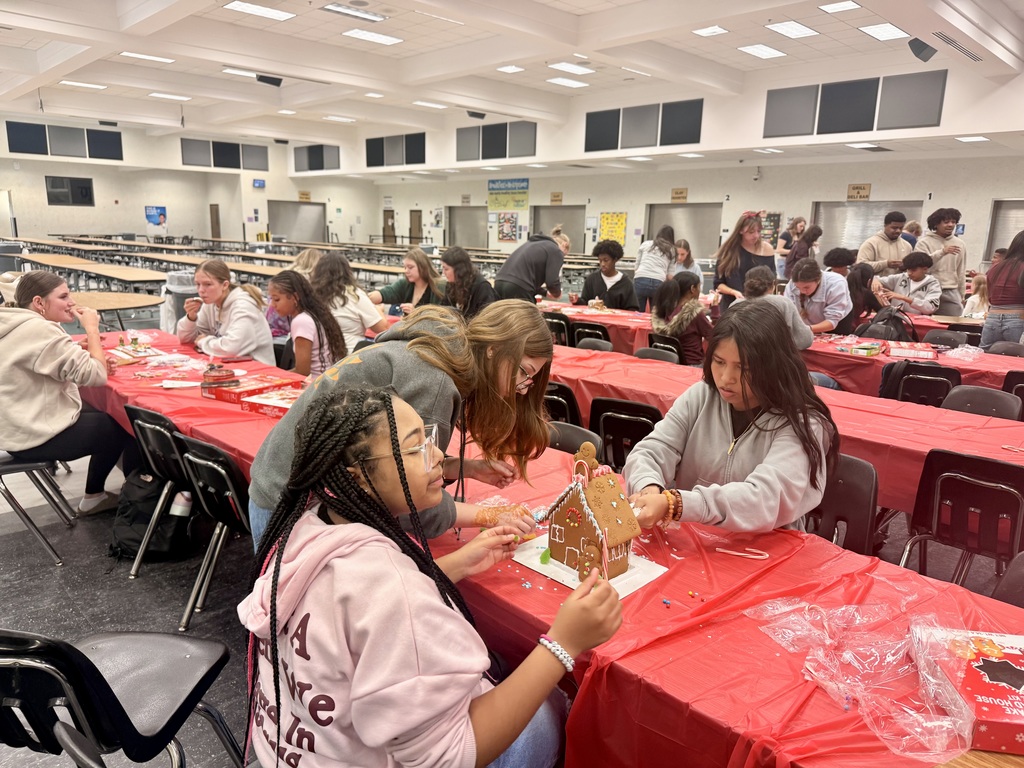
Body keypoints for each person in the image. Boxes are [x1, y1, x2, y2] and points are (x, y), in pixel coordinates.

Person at [240, 387, 622, 768]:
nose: (438, 455)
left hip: (291, 748)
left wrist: (454, 564)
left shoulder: (307, 527)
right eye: (415, 447)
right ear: (358, 476)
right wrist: (563, 643)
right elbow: (447, 758)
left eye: (429, 438)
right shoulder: (391, 589)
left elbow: (363, 613)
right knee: (546, 712)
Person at [247, 301, 552, 548]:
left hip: (281, 485)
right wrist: (488, 514)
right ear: (493, 350)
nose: (523, 387)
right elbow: (412, 502)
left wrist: (463, 468)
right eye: (524, 372)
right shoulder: (435, 383)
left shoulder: (431, 353)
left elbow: (392, 460)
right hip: (290, 507)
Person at [623, 300, 839, 532]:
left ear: (774, 366)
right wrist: (649, 487)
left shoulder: (801, 421)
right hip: (695, 542)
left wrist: (677, 504)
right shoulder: (701, 396)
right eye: (719, 362)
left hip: (767, 550)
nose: (726, 378)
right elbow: (652, 450)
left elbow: (765, 498)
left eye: (744, 368)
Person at [0, 271, 139, 514]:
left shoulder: (13, 321)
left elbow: (30, 357)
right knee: (129, 426)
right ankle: (137, 503)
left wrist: (73, 349)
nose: (72, 302)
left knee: (105, 415)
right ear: (39, 302)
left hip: (15, 429)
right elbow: (96, 375)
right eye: (64, 296)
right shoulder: (40, 330)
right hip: (36, 436)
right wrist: (92, 330)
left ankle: (95, 494)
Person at [177, 259, 275, 365]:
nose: (201, 290)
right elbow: (186, 339)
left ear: (224, 285)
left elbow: (231, 349)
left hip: (259, 370)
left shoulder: (243, 306)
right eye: (198, 284)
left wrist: (203, 341)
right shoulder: (210, 303)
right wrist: (191, 318)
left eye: (208, 284)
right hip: (231, 366)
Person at [267, 270, 347, 377]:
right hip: (328, 380)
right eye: (271, 299)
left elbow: (302, 371)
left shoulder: (301, 321)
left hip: (316, 386)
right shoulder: (314, 314)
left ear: (295, 297)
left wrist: (272, 376)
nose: (272, 305)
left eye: (276, 299)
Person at [312, 252, 389, 352]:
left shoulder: (312, 295)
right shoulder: (354, 294)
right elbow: (382, 328)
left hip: (319, 355)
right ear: (347, 271)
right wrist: (379, 310)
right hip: (349, 355)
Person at [713, 211, 775, 311]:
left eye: (759, 231)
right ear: (741, 230)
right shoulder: (728, 251)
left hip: (758, 308)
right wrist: (733, 292)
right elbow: (718, 284)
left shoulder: (767, 249)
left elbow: (772, 280)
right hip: (732, 306)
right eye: (751, 232)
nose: (756, 236)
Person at [740, 266, 812, 349]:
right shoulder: (783, 303)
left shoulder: (736, 304)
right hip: (774, 359)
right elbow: (804, 340)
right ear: (773, 284)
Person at [494, 225, 569, 302]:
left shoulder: (533, 243)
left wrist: (545, 293)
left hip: (499, 282)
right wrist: (557, 293)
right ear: (564, 245)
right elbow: (551, 281)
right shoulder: (556, 250)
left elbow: (528, 276)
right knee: (527, 314)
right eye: (564, 255)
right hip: (518, 288)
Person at [650, 272, 711, 365]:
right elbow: (714, 336)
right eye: (699, 287)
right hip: (693, 365)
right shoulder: (695, 314)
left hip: (668, 364)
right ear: (692, 289)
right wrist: (715, 311)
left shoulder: (665, 310)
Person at [916, 207, 967, 315]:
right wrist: (942, 252)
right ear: (936, 224)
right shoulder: (923, 243)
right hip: (926, 289)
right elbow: (919, 265)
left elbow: (961, 270)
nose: (950, 225)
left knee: (953, 324)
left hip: (950, 290)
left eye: (953, 222)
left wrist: (961, 294)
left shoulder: (960, 244)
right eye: (946, 222)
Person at [980, 229, 1024, 349]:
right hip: (1018, 319)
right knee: (1017, 362)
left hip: (992, 318)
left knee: (985, 359)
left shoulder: (995, 268)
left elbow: (990, 296)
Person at [368, 247, 445, 315]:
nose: (406, 271)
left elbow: (441, 318)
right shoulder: (405, 284)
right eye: (405, 267)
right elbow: (386, 293)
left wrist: (417, 313)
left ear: (422, 267)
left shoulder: (439, 287)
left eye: (410, 267)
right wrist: (364, 298)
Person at [784, 258, 853, 334]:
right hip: (805, 327)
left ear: (818, 280)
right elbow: (788, 311)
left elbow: (832, 321)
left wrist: (804, 329)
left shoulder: (836, 284)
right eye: (798, 287)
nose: (802, 291)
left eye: (806, 287)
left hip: (837, 326)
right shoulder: (792, 284)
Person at [570, 239, 639, 310]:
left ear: (615, 260)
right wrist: (577, 300)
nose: (602, 264)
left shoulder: (626, 283)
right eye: (600, 260)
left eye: (606, 260)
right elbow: (585, 302)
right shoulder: (592, 279)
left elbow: (633, 308)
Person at [871, 252, 941, 316]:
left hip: (919, 322)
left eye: (913, 270)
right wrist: (874, 280)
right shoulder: (901, 277)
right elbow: (874, 279)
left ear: (925, 269)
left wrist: (904, 298)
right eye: (908, 269)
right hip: (895, 319)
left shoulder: (933, 284)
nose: (909, 273)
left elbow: (930, 308)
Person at [440, 246, 498, 319]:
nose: (443, 273)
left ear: (459, 270)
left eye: (446, 269)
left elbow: (488, 319)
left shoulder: (482, 287)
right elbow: (444, 311)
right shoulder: (451, 285)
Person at [633, 225, 676, 311]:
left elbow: (636, 267)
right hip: (658, 281)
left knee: (637, 312)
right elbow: (670, 277)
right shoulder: (672, 250)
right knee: (656, 314)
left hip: (640, 278)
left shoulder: (645, 244)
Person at [857, 211, 911, 277]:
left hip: (900, 285)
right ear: (885, 226)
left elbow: (912, 269)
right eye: (894, 228)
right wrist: (886, 264)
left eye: (901, 228)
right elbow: (860, 267)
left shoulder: (907, 246)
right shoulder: (871, 243)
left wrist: (905, 267)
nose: (898, 231)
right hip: (875, 285)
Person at [834, 263, 883, 335]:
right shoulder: (866, 294)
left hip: (831, 326)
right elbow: (882, 313)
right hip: (850, 331)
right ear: (869, 281)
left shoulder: (840, 287)